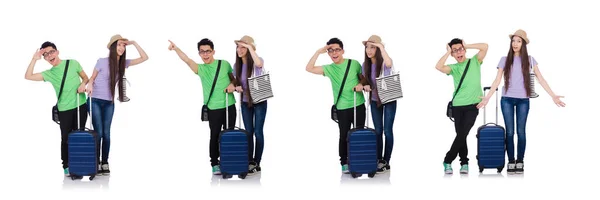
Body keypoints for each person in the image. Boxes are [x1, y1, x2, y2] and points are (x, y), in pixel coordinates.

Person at [477, 29, 566, 173]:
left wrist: (553, 95)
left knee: (521, 132)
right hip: (507, 99)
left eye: (518, 41)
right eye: (513, 41)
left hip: (523, 101)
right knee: (510, 132)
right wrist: (488, 97)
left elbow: (541, 79)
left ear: (523, 44)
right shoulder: (504, 59)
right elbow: (497, 80)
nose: (515, 43)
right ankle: (511, 161)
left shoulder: (530, 60)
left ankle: (520, 161)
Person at [168, 38, 236, 175]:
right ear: (199, 53)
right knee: (215, 135)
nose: (205, 54)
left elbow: (233, 78)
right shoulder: (201, 69)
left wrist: (233, 85)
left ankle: (227, 161)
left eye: (208, 51)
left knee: (229, 135)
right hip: (213, 108)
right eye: (202, 52)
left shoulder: (224, 64)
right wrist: (176, 49)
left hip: (230, 105)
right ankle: (215, 164)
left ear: (213, 51)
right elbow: (186, 59)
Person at [85, 34, 149, 175]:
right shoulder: (102, 61)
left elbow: (145, 58)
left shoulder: (123, 63)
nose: (121, 48)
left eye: (123, 45)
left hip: (109, 103)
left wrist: (135, 43)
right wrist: (89, 84)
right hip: (94, 99)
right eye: (119, 45)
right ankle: (95, 162)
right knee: (99, 133)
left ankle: (105, 162)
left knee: (107, 134)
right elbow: (92, 77)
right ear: (113, 47)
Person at [25, 41, 90, 177]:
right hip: (64, 109)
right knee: (66, 138)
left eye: (51, 52)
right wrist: (34, 59)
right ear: (45, 58)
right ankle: (66, 165)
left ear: (57, 51)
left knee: (79, 135)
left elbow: (85, 77)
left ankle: (79, 163)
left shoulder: (73, 63)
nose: (49, 56)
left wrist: (83, 84)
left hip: (81, 105)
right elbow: (28, 76)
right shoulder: (49, 73)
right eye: (46, 55)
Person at [306, 37, 369, 174]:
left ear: (342, 51)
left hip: (358, 105)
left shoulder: (354, 63)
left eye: (337, 50)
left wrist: (361, 85)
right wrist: (318, 52)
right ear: (328, 53)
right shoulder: (329, 69)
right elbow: (309, 68)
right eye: (330, 51)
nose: (334, 53)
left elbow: (363, 79)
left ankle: (357, 161)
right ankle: (344, 162)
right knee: (344, 135)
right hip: (342, 107)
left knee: (358, 134)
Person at [435, 38, 488, 174]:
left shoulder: (475, 61)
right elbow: (439, 66)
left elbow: (485, 46)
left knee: (463, 133)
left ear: (464, 50)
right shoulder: (454, 68)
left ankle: (447, 160)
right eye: (454, 51)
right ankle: (464, 163)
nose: (458, 52)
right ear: (452, 54)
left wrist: (467, 45)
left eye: (460, 49)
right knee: (461, 135)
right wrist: (447, 52)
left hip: (473, 105)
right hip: (458, 106)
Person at [361, 35, 396, 173]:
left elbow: (389, 63)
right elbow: (366, 82)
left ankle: (386, 161)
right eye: (367, 47)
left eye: (372, 47)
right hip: (375, 100)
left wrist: (381, 46)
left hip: (389, 99)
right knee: (378, 131)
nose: (369, 50)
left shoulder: (384, 63)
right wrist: (366, 86)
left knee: (387, 131)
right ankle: (378, 159)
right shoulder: (365, 65)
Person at [232, 35, 266, 175]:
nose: (239, 50)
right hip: (245, 102)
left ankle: (257, 162)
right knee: (248, 133)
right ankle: (250, 160)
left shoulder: (258, 61)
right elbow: (235, 83)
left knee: (258, 132)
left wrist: (250, 47)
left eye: (242, 47)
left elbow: (258, 63)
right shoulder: (236, 66)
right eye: (238, 47)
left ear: (249, 48)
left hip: (259, 100)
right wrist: (236, 87)